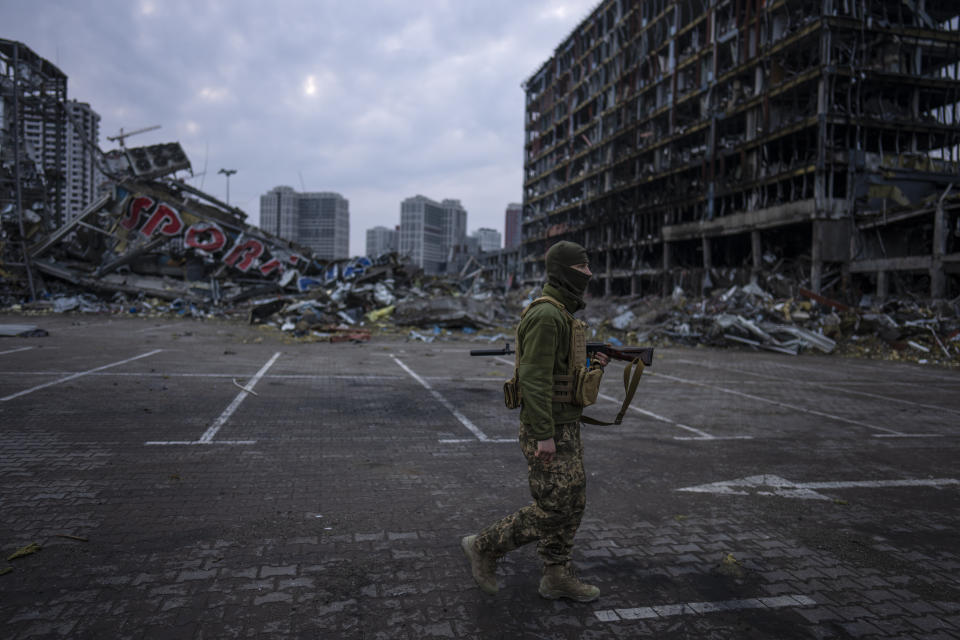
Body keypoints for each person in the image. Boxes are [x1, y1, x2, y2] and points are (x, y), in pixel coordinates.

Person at [461, 240, 608, 602]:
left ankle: (557, 575)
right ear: (565, 271)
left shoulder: (563, 313)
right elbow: (534, 379)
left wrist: (596, 367)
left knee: (571, 505)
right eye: (583, 268)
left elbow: (560, 372)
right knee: (554, 507)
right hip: (549, 430)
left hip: (565, 425)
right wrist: (544, 435)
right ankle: (484, 546)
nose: (589, 273)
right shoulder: (546, 316)